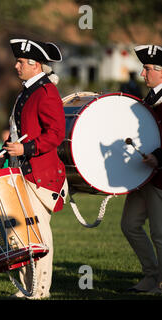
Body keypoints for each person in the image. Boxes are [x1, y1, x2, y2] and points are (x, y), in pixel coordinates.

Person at [0, 38, 67, 299]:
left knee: (38, 234)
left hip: (40, 174)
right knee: (23, 234)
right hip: (23, 172)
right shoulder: (28, 90)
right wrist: (7, 149)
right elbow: (20, 130)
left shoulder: (46, 92)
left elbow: (56, 134)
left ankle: (41, 289)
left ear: (36, 65)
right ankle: (27, 287)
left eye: (22, 62)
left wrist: (26, 149)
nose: (16, 66)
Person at [121, 44, 162, 294]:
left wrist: (159, 157)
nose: (143, 74)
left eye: (147, 69)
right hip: (143, 175)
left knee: (160, 234)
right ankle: (151, 275)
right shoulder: (148, 99)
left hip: (159, 177)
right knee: (129, 225)